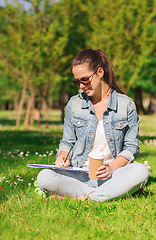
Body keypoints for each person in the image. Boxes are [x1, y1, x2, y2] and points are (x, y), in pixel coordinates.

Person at [37, 49, 149, 202]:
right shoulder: (74, 104)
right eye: (77, 82)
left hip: (112, 174)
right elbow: (67, 142)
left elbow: (131, 148)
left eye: (85, 79)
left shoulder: (126, 105)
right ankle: (106, 194)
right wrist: (62, 157)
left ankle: (82, 198)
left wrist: (111, 168)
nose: (81, 86)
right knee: (44, 177)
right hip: (79, 174)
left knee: (140, 171)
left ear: (100, 72)